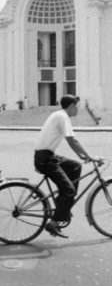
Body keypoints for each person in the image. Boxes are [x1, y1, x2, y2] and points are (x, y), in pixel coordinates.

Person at [34, 94, 98, 238]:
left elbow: (71, 141)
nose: (78, 109)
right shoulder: (63, 117)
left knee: (75, 166)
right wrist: (88, 156)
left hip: (45, 156)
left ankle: (64, 206)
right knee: (69, 191)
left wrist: (81, 157)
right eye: (77, 106)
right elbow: (72, 140)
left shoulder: (58, 114)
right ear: (71, 106)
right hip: (46, 158)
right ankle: (54, 222)